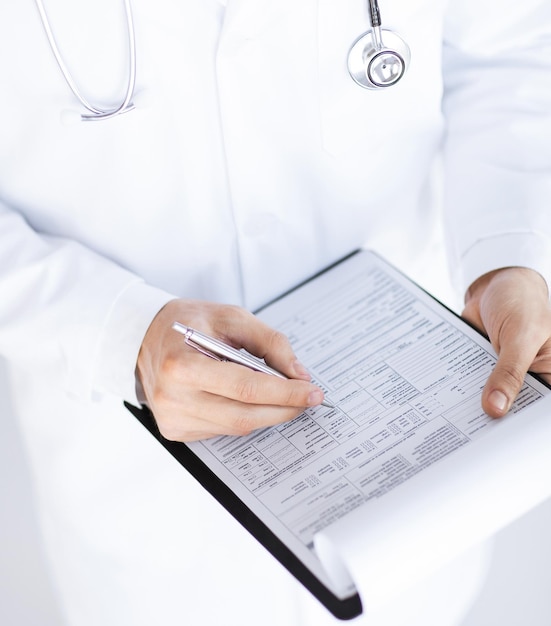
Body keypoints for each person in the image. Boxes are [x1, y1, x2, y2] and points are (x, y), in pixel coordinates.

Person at [1, 0, 550, 625]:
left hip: (416, 464)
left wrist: (505, 253)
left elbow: (503, 49)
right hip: (147, 511)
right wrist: (116, 332)